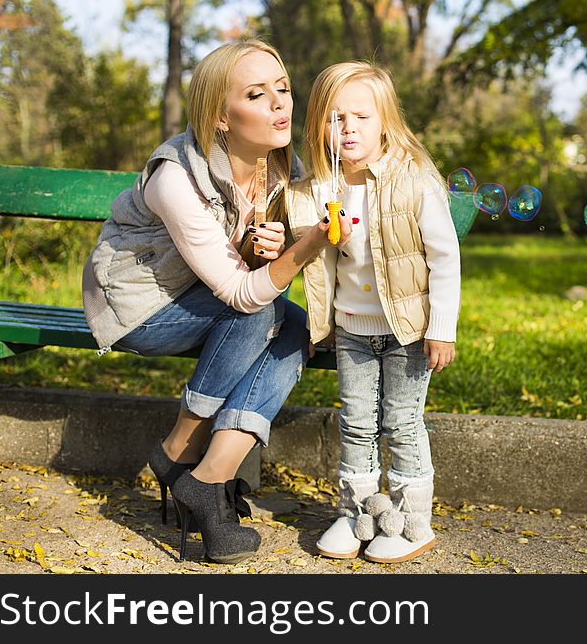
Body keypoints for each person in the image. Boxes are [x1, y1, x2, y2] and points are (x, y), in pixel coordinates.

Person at [81, 40, 350, 564]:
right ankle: (180, 448)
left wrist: (265, 248)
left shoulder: (278, 169)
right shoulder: (174, 178)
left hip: (205, 296)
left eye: (283, 88)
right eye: (256, 94)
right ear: (220, 118)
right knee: (261, 311)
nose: (280, 104)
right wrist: (302, 247)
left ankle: (210, 477)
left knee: (291, 328)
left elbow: (250, 273)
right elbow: (242, 294)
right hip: (139, 308)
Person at [287, 61, 461, 564]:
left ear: (385, 120)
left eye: (360, 116)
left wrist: (441, 328)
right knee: (357, 425)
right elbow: (314, 260)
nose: (347, 129)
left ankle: (410, 523)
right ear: (319, 123)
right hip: (352, 330)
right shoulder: (319, 188)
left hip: (407, 330)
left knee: (402, 424)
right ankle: (359, 515)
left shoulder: (414, 181)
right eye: (334, 117)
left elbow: (444, 259)